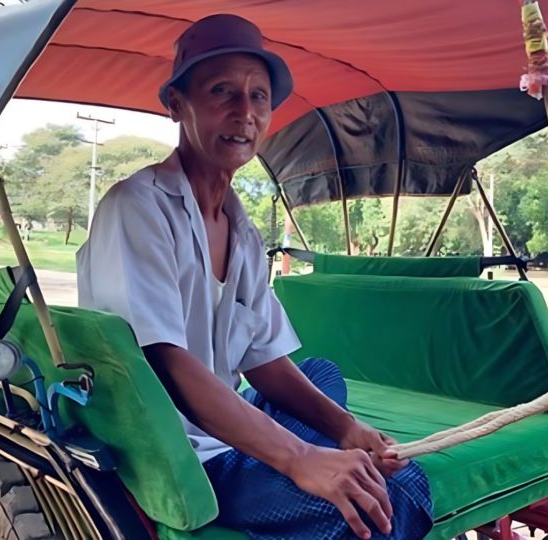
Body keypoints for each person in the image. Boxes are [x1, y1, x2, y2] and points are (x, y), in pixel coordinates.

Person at [77, 14, 432, 539]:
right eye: (222, 91)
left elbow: (265, 360)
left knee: (325, 379)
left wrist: (345, 430)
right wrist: (299, 458)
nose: (244, 113)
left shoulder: (238, 227)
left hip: (228, 423)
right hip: (176, 454)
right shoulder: (138, 206)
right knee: (385, 497)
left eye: (259, 97)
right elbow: (165, 363)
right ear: (177, 104)